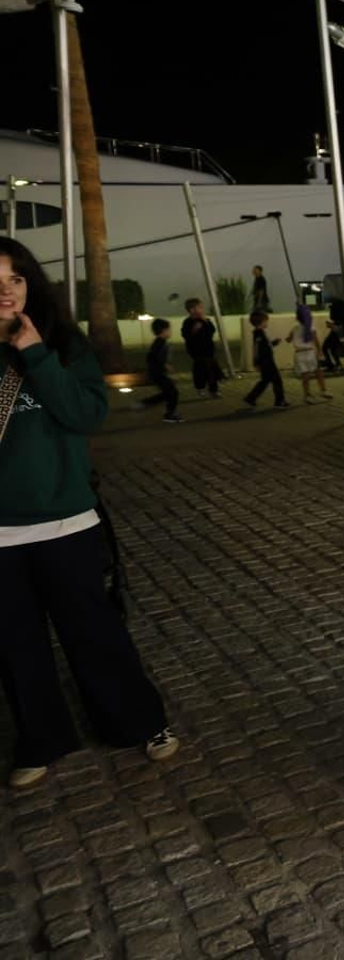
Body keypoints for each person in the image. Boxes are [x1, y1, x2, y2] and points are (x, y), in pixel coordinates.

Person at [0, 237, 178, 790]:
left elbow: (86, 414)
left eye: (15, 279)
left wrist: (35, 355)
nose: (6, 291)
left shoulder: (61, 341)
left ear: (30, 284)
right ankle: (42, 739)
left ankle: (137, 722)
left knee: (94, 632)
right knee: (15, 643)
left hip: (65, 521)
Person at [243, 310, 288, 409]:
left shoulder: (259, 333)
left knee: (265, 381)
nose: (267, 323)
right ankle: (279, 401)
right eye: (266, 321)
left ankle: (251, 398)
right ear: (262, 321)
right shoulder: (259, 333)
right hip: (266, 361)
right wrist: (257, 361)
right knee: (277, 380)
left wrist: (274, 343)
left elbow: (265, 346)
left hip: (265, 361)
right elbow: (257, 349)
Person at [141, 318, 181, 423]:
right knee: (173, 392)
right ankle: (169, 415)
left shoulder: (160, 342)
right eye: (169, 329)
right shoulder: (160, 343)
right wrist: (165, 365)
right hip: (157, 374)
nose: (170, 332)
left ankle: (144, 403)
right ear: (164, 330)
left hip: (157, 373)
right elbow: (152, 358)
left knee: (168, 393)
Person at [179, 299, 221, 397]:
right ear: (191, 310)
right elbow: (185, 335)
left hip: (208, 349)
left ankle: (212, 389)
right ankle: (202, 387)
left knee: (210, 368)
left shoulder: (205, 320)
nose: (200, 310)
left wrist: (205, 320)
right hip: (196, 350)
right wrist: (194, 330)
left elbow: (212, 331)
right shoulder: (187, 322)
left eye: (201, 307)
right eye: (198, 308)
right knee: (201, 368)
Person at [287, 304, 329, 403]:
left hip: (299, 353)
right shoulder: (310, 327)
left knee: (305, 376)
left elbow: (289, 339)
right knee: (319, 372)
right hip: (309, 352)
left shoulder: (295, 328)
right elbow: (316, 340)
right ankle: (323, 390)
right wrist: (320, 351)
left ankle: (307, 395)